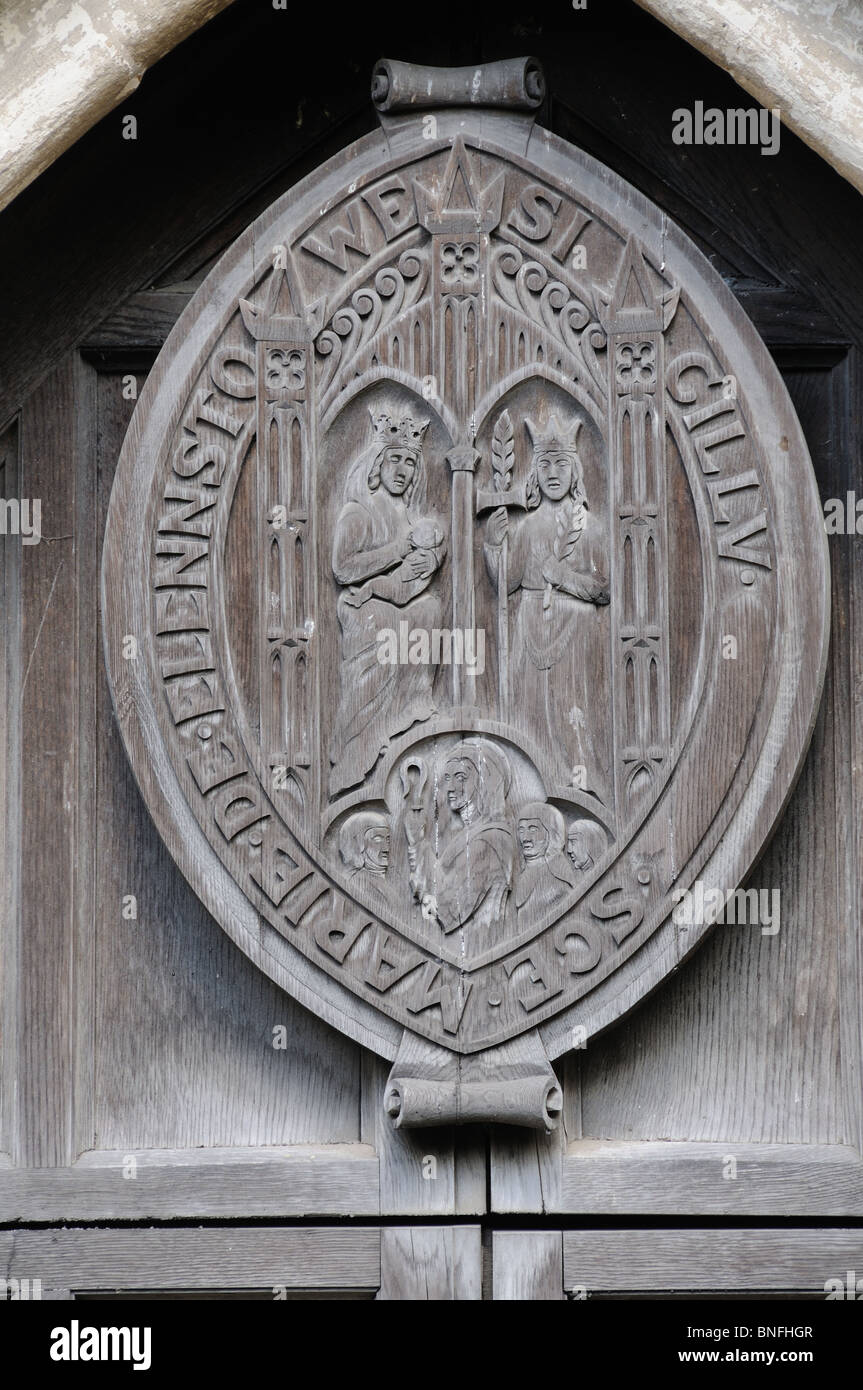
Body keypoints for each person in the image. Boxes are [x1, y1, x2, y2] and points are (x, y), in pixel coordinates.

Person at [485, 414, 609, 801]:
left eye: (561, 464)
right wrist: (493, 547)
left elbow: (604, 590)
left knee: (570, 708)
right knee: (529, 711)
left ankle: (578, 785)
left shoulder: (591, 528)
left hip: (574, 634)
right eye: (545, 464)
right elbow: (506, 583)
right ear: (535, 473)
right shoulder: (527, 528)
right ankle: (529, 786)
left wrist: (565, 577)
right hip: (529, 628)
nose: (553, 473)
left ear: (575, 470)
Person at [329, 410, 445, 797]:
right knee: (381, 618)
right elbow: (343, 568)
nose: (403, 469)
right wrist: (396, 551)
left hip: (398, 602)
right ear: (377, 462)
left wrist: (428, 561)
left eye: (411, 461)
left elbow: (415, 570)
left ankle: (411, 713)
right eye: (395, 458)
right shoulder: (359, 511)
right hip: (367, 612)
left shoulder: (410, 517)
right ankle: (359, 749)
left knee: (429, 610)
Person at [408, 738, 515, 941]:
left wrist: (417, 844)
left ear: (485, 780)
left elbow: (448, 909)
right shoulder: (473, 833)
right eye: (447, 778)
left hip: (480, 944)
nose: (450, 787)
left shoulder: (490, 839)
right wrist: (418, 841)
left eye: (460, 777)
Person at [515, 801, 577, 916]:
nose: (525, 838)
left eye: (533, 829)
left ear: (551, 833)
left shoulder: (558, 879)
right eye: (521, 830)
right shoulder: (521, 875)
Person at [338, 811, 390, 880]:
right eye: (377, 839)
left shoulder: (379, 880)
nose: (386, 849)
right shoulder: (357, 880)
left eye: (388, 840)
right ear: (358, 843)